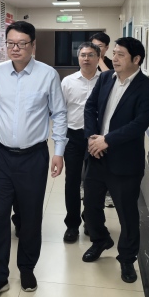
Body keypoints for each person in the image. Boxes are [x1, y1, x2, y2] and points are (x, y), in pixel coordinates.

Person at [0, 21, 67, 297]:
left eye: (21, 44)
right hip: (1, 156)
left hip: (33, 157)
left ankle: (27, 268)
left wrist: (58, 151)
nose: (15, 48)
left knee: (30, 215)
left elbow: (59, 114)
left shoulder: (47, 75)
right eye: (10, 43)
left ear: (33, 45)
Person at [82, 37, 149, 284]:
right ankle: (100, 240)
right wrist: (93, 138)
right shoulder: (105, 78)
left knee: (127, 214)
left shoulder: (148, 89)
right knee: (90, 206)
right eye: (114, 53)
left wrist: (107, 140)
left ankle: (127, 258)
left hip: (124, 162)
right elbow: (90, 108)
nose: (114, 58)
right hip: (97, 156)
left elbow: (139, 124)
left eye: (120, 55)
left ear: (136, 59)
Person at [60, 42, 101, 243]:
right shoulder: (68, 82)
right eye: (83, 55)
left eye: (91, 55)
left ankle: (91, 221)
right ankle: (72, 225)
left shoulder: (106, 80)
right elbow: (60, 111)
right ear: (78, 58)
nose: (86, 59)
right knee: (72, 182)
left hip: (97, 139)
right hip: (73, 137)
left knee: (95, 183)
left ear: (98, 58)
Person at [90, 32, 115, 209]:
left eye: (99, 47)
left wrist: (99, 60)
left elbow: (112, 79)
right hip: (91, 119)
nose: (95, 50)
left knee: (108, 160)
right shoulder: (87, 61)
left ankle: (109, 193)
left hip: (108, 121)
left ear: (106, 48)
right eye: (93, 46)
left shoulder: (112, 64)